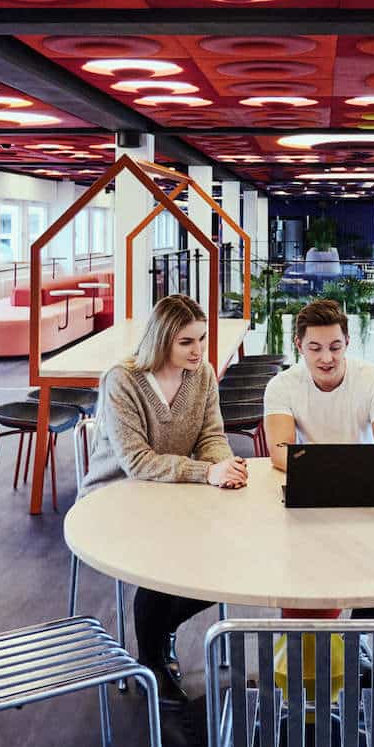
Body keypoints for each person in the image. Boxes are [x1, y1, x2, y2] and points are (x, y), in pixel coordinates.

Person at [83, 293, 246, 704]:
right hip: (116, 496)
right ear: (161, 341)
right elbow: (136, 461)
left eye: (202, 339)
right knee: (163, 557)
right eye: (186, 342)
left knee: (228, 558)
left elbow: (211, 435)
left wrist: (223, 469)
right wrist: (205, 472)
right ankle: (152, 661)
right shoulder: (122, 380)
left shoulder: (202, 373)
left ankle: (160, 632)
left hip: (172, 493)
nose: (198, 351)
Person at [262, 297, 374, 622]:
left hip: (366, 493)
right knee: (302, 558)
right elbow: (279, 450)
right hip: (308, 493)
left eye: (335, 347)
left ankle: (359, 635)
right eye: (315, 348)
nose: (327, 358)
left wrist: (318, 463)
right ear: (299, 345)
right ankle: (313, 629)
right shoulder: (281, 386)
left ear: (348, 342)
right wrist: (344, 464)